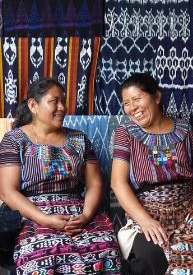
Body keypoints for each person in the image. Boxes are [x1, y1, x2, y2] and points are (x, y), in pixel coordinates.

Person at [111, 73, 193, 275]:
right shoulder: (125, 132)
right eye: (126, 103)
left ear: (156, 97)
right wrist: (145, 220)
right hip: (148, 212)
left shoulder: (185, 129)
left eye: (137, 99)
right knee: (150, 254)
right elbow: (118, 183)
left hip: (188, 212)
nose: (132, 108)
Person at [0, 78, 122, 274]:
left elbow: (95, 184)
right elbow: (7, 191)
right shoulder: (14, 140)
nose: (62, 107)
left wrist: (86, 216)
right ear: (33, 105)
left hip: (78, 214)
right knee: (42, 255)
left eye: (63, 101)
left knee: (106, 250)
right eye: (54, 101)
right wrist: (45, 219)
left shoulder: (79, 139)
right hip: (32, 214)